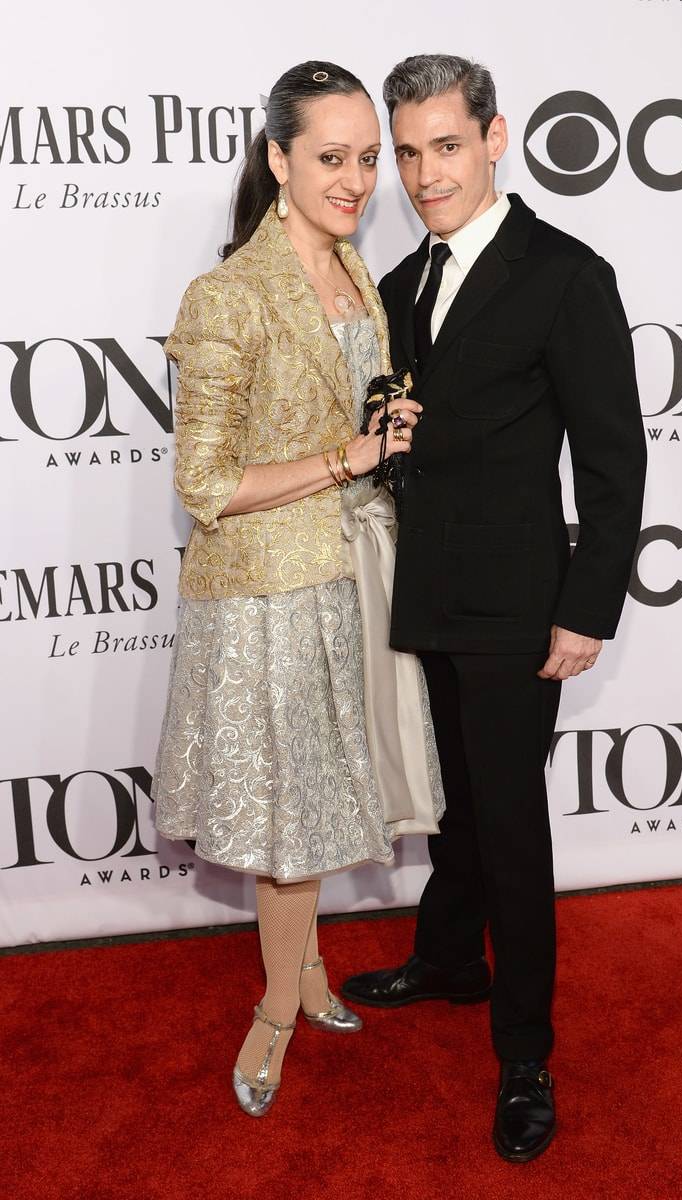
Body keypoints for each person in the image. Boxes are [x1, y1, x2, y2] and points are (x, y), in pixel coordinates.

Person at [342, 55, 647, 1162]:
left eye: (446, 147)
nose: (425, 174)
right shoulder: (404, 279)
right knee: (457, 800)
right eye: (408, 152)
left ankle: (524, 1054)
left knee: (510, 830)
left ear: (496, 138)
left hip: (520, 604)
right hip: (424, 591)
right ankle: (449, 961)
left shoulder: (564, 273)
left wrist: (587, 609)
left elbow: (615, 459)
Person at [152, 61, 444, 1120]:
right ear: (278, 160)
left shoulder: (358, 274)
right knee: (289, 816)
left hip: (358, 571)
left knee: (325, 799)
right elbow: (205, 484)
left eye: (370, 159)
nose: (360, 181)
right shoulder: (229, 293)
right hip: (272, 592)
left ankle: (311, 975)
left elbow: (362, 415)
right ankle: (277, 1008)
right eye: (333, 158)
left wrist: (388, 440)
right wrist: (347, 458)